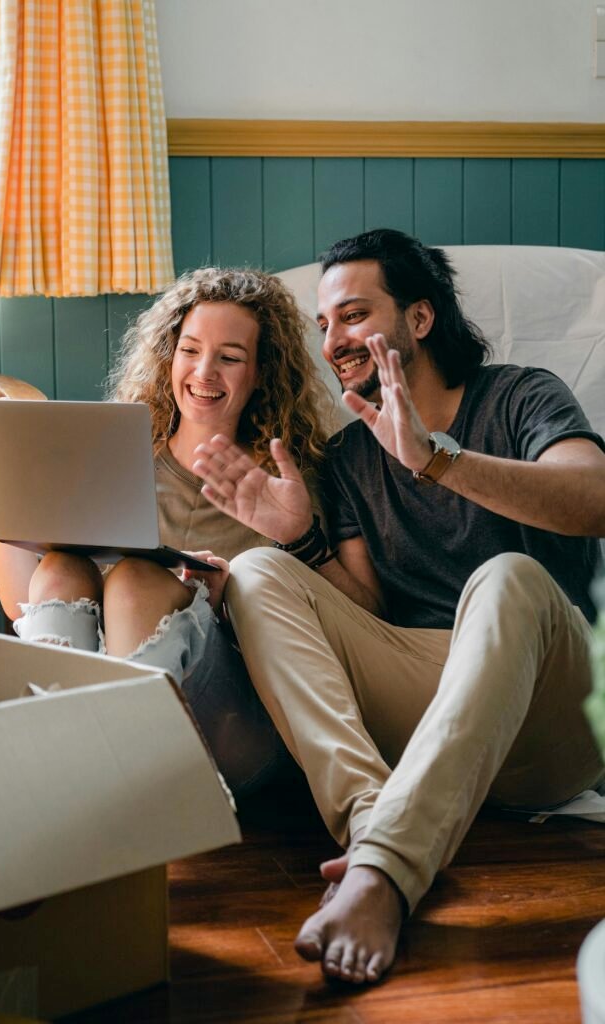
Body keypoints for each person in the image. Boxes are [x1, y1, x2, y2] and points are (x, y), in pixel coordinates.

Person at [191, 228, 605, 984]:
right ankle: (370, 825)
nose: (334, 340)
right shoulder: (349, 457)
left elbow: (595, 500)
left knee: (506, 575)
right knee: (257, 570)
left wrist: (436, 459)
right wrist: (303, 541)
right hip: (428, 692)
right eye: (324, 326)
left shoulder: (520, 395)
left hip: (550, 713)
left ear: (419, 319)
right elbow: (369, 613)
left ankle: (387, 871)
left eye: (352, 315)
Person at [0, 266, 333, 796]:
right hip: (107, 733)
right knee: (61, 565)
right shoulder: (119, 458)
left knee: (134, 581)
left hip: (237, 728)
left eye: (230, 357)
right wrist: (1, 478)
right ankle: (79, 781)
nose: (204, 371)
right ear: (169, 355)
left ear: (262, 371)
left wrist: (230, 597)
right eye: (190, 350)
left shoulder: (287, 481)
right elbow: (21, 607)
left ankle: (83, 786)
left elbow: (323, 631)